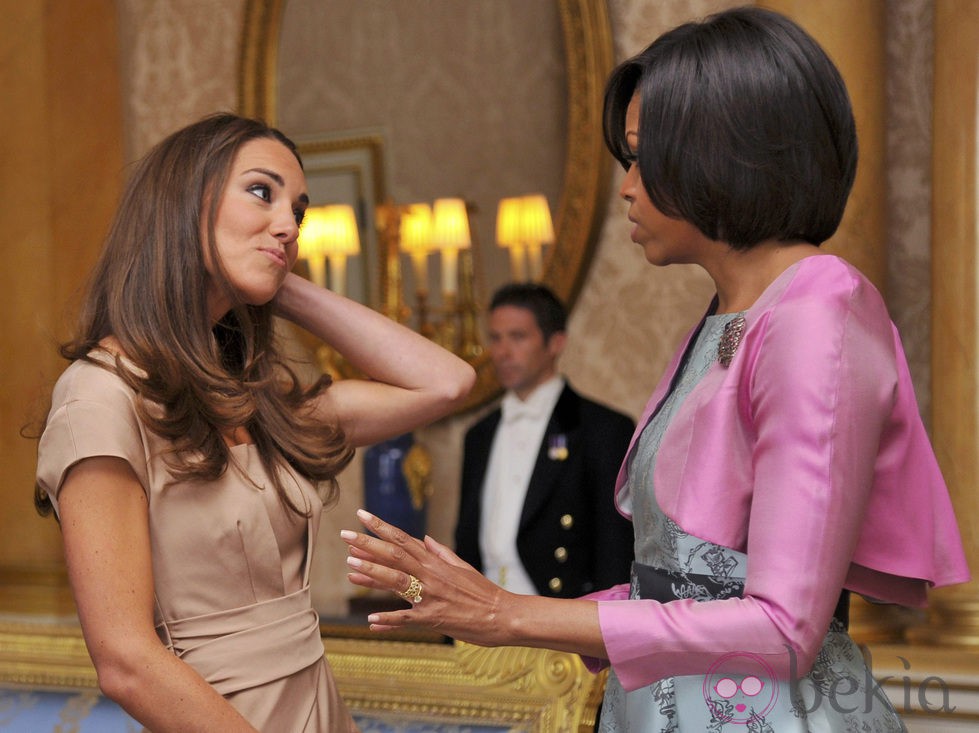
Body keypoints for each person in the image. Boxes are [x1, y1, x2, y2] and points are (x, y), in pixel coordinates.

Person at [340, 7, 970, 732]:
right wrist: (487, 604)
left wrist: (512, 613)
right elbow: (684, 584)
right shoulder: (729, 316)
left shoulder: (816, 314)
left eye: (642, 158)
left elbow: (782, 628)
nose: (627, 188)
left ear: (722, 150)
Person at [33, 113, 476, 732]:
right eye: (262, 193)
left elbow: (446, 382)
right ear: (183, 204)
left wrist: (278, 281)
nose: (289, 225)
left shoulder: (255, 400)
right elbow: (126, 662)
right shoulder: (98, 396)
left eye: (299, 211)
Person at [456, 282, 634, 598]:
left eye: (518, 337)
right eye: (495, 338)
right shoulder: (478, 435)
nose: (502, 352)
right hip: (479, 619)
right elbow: (468, 541)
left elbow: (614, 548)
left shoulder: (602, 429)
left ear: (556, 343)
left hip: (560, 618)